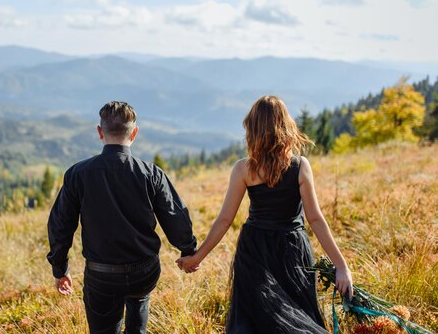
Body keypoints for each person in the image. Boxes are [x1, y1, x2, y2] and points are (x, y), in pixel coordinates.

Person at [177, 95, 353, 333]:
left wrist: (197, 258)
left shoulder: (244, 169)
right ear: (286, 127)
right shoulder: (300, 166)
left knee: (255, 320)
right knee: (296, 314)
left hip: (254, 250)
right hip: (293, 251)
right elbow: (316, 219)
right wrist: (341, 266)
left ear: (253, 129)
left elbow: (224, 220)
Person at [47, 101, 198, 334]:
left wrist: (60, 269)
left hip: (101, 275)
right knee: (139, 302)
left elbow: (60, 226)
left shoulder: (78, 174)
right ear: (134, 133)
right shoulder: (151, 174)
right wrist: (188, 250)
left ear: (99, 132)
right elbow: (174, 215)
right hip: (144, 271)